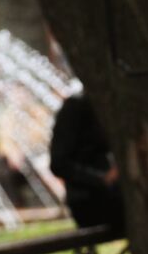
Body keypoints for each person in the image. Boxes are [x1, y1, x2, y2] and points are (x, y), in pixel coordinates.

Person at [48, 93, 123, 234]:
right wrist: (103, 179)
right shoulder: (77, 106)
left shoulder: (107, 104)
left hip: (109, 196)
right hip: (92, 202)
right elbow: (58, 163)